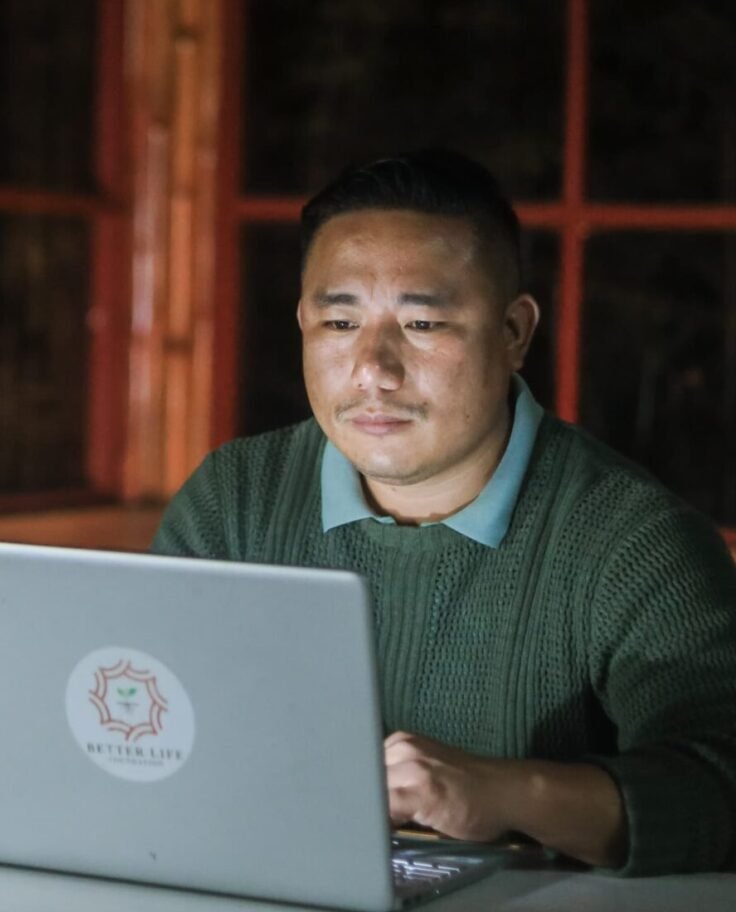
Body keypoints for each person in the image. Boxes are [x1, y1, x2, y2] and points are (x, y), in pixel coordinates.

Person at [152, 149, 736, 876]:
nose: (373, 369)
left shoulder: (635, 541)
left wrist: (509, 792)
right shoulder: (234, 499)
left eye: (424, 324)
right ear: (303, 322)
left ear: (514, 332)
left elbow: (719, 785)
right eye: (339, 322)